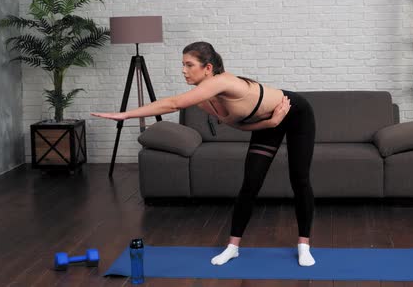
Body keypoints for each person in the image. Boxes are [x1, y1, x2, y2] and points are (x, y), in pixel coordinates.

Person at [92, 41, 316, 267]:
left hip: (295, 112)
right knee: (251, 183)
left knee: (299, 178)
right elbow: (240, 126)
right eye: (182, 65)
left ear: (207, 68)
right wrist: (271, 123)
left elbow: (173, 104)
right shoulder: (205, 101)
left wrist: (126, 114)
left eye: (189, 65)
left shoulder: (224, 82)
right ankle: (233, 247)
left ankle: (303, 246)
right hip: (268, 122)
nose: (183, 70)